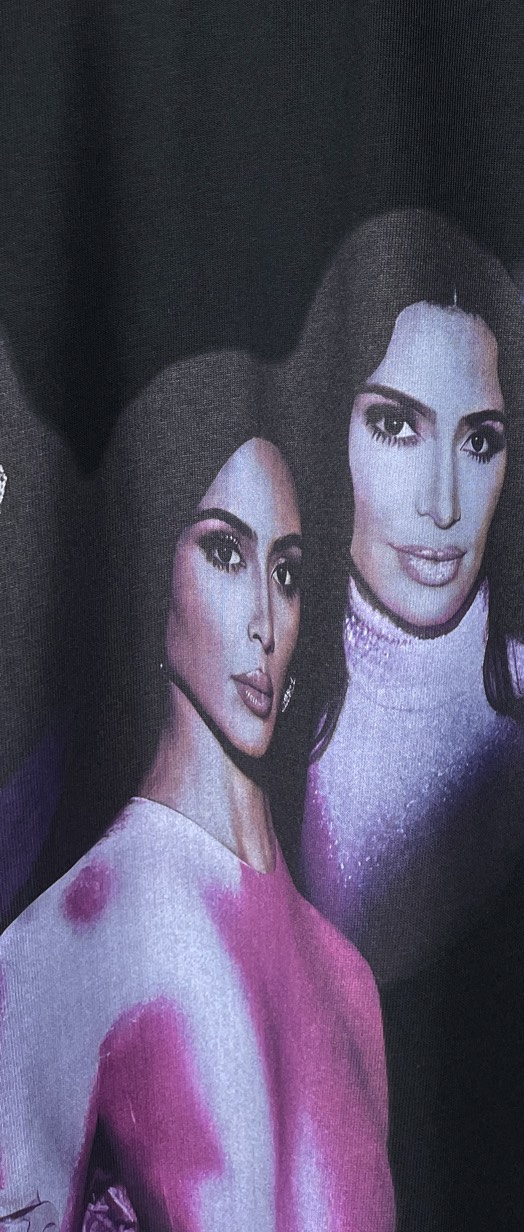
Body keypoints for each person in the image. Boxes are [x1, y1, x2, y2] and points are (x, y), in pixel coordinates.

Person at [0, 351, 394, 1232]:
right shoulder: (69, 936)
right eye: (224, 551)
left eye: (287, 572)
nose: (265, 619)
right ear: (153, 569)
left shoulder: (352, 987)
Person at [279, 209, 524, 985]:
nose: (442, 505)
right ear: (329, 429)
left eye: (479, 441)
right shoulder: (250, 698)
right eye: (396, 426)